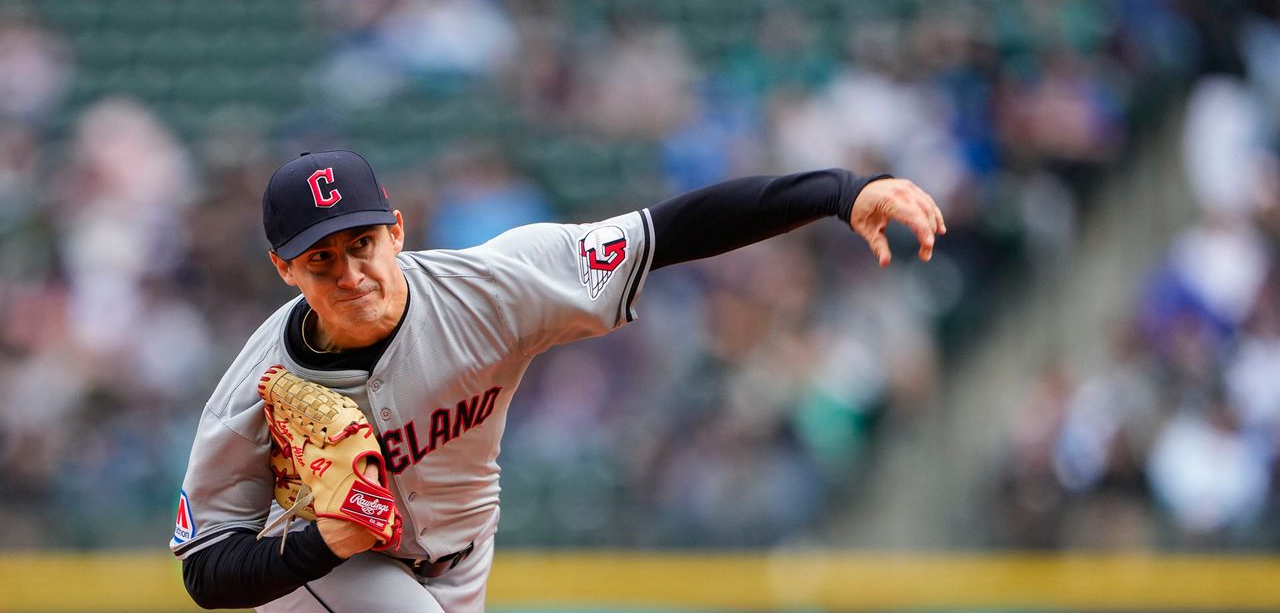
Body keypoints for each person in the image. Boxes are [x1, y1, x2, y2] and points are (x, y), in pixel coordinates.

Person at [170, 149, 946, 612]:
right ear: (284, 270)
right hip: (333, 573)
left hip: (462, 559)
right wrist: (317, 547)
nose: (352, 272)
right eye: (320, 260)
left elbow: (666, 232)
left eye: (363, 242)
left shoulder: (496, 287)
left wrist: (840, 193)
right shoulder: (257, 389)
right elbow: (206, 570)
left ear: (398, 230)